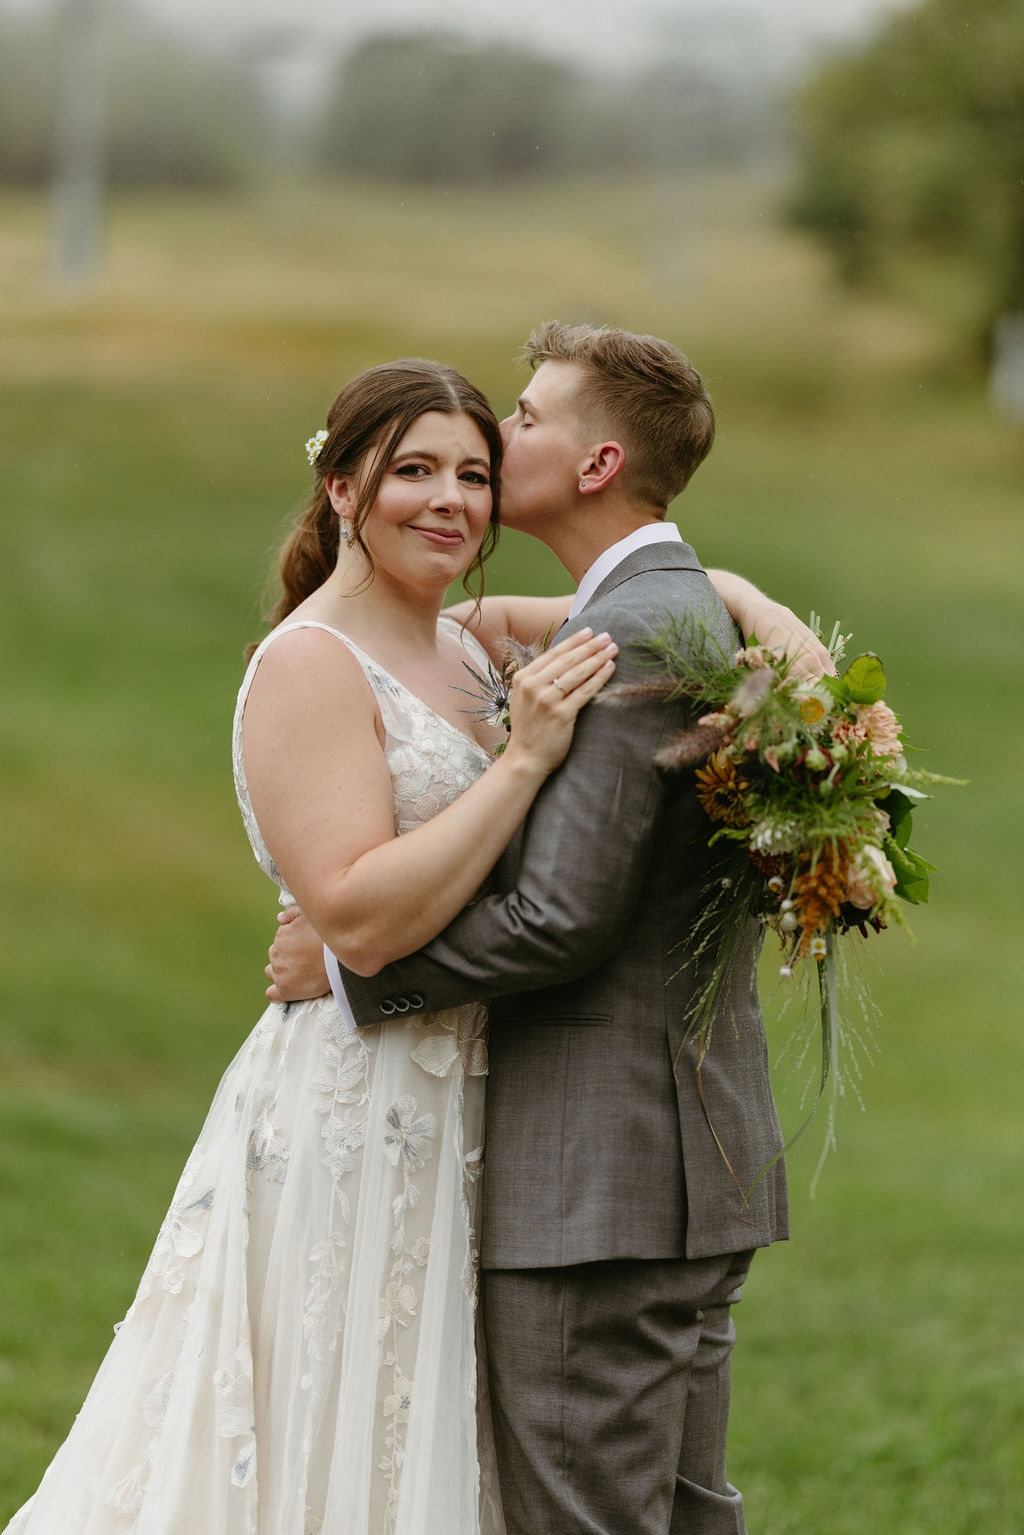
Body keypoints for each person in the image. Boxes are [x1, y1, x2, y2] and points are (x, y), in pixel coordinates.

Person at [4, 346, 818, 1535]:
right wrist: (525, 760)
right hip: (359, 1103)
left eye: (476, 468)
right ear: (340, 488)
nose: (452, 495)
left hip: (482, 1111)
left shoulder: (473, 651)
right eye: (415, 470)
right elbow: (361, 912)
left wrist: (742, 597)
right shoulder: (304, 664)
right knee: (327, 1441)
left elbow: (619, 613)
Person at [268, 322, 826, 1535]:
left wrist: (355, 970)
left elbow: (559, 919)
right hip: (670, 1161)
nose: (493, 436)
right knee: (679, 1512)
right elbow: (509, 632)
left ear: (593, 462)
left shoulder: (635, 625)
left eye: (519, 422)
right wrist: (734, 586)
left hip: (600, 1178)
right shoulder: (647, 606)